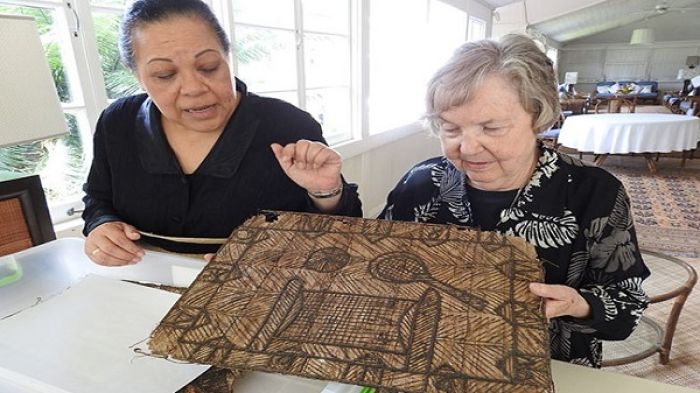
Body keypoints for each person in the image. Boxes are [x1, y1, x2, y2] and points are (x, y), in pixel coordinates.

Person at [378, 34, 649, 368]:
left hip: (548, 367)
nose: (468, 147)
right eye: (450, 129)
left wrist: (578, 304)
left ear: (539, 117)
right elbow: (374, 267)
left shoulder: (593, 192)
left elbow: (628, 306)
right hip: (430, 363)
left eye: (491, 128)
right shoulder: (422, 184)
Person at [82, 0, 362, 265]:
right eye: (165, 74)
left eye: (208, 67)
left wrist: (325, 191)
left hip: (261, 295)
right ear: (138, 77)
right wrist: (101, 226)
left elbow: (346, 233)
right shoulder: (117, 122)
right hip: (140, 290)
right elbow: (98, 198)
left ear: (227, 57)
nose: (194, 88)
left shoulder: (289, 125)